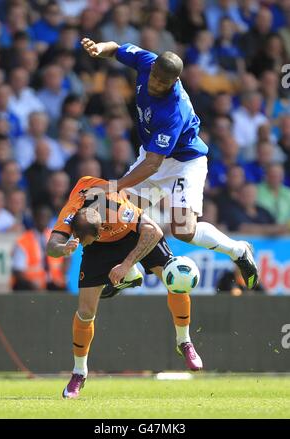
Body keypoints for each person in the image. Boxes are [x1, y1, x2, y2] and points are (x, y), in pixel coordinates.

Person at [81, 38, 258, 292]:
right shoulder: (147, 61)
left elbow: (153, 165)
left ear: (174, 82)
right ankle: (129, 273)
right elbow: (116, 48)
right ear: (152, 69)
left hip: (183, 164)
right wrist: (100, 49)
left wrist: (115, 185)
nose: (154, 85)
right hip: (154, 157)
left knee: (183, 229)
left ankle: (239, 250)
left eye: (162, 83)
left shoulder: (173, 111)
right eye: (154, 78)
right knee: (116, 212)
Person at [47, 175, 202, 399]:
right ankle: (79, 373)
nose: (83, 244)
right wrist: (63, 249)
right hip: (100, 249)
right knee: (85, 312)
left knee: (174, 281)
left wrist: (125, 264)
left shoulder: (117, 209)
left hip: (133, 234)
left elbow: (154, 231)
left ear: (99, 231)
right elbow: (51, 246)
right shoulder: (70, 214)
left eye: (85, 240)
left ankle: (184, 341)